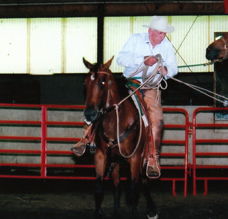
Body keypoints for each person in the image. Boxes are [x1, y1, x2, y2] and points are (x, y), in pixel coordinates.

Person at [72, 15, 178, 179]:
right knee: (104, 103)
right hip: (130, 84)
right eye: (159, 33)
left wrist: (165, 70)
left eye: (164, 33)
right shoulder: (135, 40)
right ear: (150, 31)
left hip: (151, 88)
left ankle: (152, 159)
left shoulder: (167, 46)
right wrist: (143, 60)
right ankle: (86, 138)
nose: (163, 36)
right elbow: (121, 59)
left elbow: (174, 68)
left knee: (156, 121)